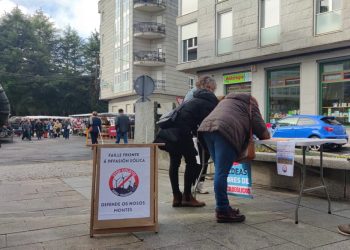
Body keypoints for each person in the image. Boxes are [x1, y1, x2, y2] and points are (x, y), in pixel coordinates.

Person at [198, 93, 270, 223]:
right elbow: (263, 133)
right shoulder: (250, 104)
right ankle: (222, 210)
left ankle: (223, 207)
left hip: (206, 130)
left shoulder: (226, 102)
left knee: (219, 171)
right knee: (221, 173)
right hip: (223, 131)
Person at [155, 76, 218, 207]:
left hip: (168, 132)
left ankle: (176, 197)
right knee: (193, 163)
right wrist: (208, 147)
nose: (214, 92)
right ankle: (187, 197)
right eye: (214, 89)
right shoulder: (209, 101)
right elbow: (204, 126)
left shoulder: (192, 98)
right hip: (181, 133)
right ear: (209, 88)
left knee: (175, 163)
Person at [184, 76, 216, 194]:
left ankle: (196, 185)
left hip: (192, 131)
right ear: (206, 86)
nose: (212, 91)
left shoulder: (191, 94)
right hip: (197, 132)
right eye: (212, 89)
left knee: (200, 160)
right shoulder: (198, 95)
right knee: (200, 160)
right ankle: (195, 186)